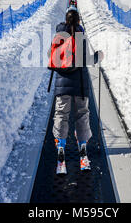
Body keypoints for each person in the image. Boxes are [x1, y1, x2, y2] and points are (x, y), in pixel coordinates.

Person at [50, 9, 103, 175]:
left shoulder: (59, 36)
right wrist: (97, 57)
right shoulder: (80, 35)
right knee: (82, 114)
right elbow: (86, 59)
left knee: (61, 114)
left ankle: (61, 150)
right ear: (79, 20)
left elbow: (51, 57)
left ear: (65, 20)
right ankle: (83, 151)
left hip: (62, 82)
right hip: (80, 82)